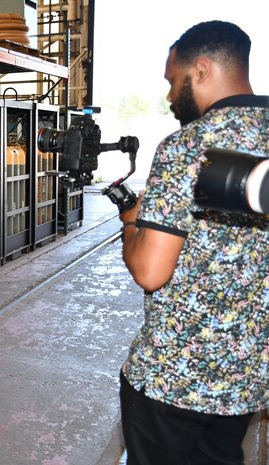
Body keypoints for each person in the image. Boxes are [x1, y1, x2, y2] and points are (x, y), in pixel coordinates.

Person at [118, 21, 269, 465]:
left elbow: (150, 271)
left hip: (173, 381)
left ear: (201, 69)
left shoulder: (188, 146)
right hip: (245, 376)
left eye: (172, 81)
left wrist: (132, 223)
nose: (169, 96)